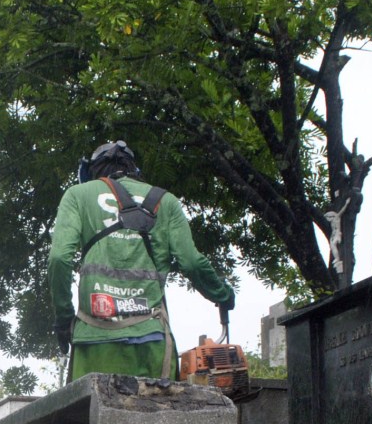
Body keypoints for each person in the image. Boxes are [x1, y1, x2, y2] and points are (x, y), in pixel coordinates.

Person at [48, 140, 237, 381]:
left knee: (92, 406)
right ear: (133, 169)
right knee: (156, 406)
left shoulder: (78, 195)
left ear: (93, 171)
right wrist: (222, 295)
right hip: (150, 341)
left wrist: (64, 321)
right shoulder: (166, 201)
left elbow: (59, 259)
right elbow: (191, 262)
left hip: (94, 342)